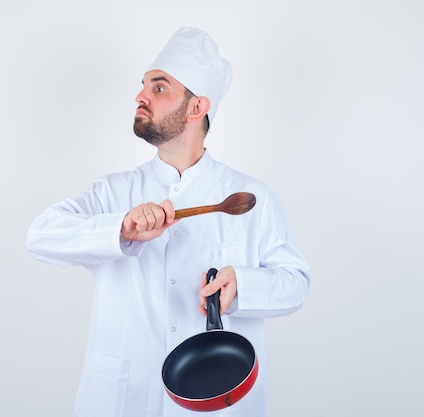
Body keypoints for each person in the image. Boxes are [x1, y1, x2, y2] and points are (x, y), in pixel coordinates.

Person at [26, 27, 310, 417]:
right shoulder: (113, 192)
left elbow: (296, 283)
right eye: (143, 86)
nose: (141, 96)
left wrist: (243, 284)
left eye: (159, 88)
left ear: (197, 108)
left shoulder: (249, 197)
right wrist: (120, 230)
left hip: (215, 397)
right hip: (122, 398)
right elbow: (39, 235)